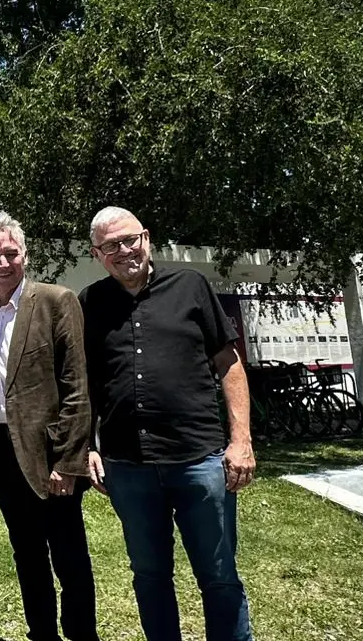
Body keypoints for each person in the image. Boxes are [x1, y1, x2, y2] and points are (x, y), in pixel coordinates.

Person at [79, 206, 257, 641]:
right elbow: (85, 382)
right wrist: (89, 446)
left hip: (199, 461)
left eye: (130, 240)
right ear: (97, 253)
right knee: (150, 577)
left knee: (219, 575)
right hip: (129, 467)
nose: (124, 251)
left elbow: (228, 364)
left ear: (147, 237)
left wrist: (241, 441)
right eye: (111, 246)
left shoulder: (191, 287)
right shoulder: (91, 303)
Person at [0, 213, 99, 641]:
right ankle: (41, 634)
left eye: (10, 253)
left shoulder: (56, 300)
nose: (2, 263)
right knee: (26, 554)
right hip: (3, 452)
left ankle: (82, 634)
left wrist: (69, 460)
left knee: (69, 556)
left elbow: (77, 388)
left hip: (51, 456)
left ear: (25, 254)